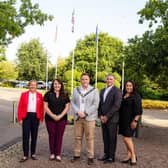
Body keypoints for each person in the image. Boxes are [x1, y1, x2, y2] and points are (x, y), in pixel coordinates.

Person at [71, 73, 99, 165]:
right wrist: (78, 111)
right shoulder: (76, 90)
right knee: (77, 137)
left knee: (90, 138)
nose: (84, 81)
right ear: (80, 80)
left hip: (89, 118)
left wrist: (86, 113)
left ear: (89, 80)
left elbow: (95, 104)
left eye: (86, 79)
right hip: (78, 117)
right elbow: (73, 102)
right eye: (83, 79)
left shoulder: (94, 90)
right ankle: (76, 155)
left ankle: (90, 157)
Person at [44, 79, 70, 161]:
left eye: (59, 84)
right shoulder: (48, 94)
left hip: (62, 119)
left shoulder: (65, 94)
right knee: (52, 135)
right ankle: (52, 153)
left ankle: (58, 154)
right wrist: (53, 116)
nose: (57, 85)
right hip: (49, 119)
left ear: (61, 85)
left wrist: (60, 116)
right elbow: (45, 106)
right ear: (52, 85)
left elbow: (67, 107)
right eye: (55, 84)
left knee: (59, 136)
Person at [18, 80, 44, 162]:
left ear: (37, 86)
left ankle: (33, 153)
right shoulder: (24, 94)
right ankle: (25, 155)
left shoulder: (40, 95)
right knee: (25, 136)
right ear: (29, 86)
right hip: (26, 117)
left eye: (34, 85)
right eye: (31, 85)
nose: (33, 86)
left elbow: (41, 108)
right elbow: (20, 107)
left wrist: (41, 118)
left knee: (34, 136)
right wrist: (20, 118)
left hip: (35, 117)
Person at [98, 74, 122, 163]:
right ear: (106, 80)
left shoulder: (118, 91)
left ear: (114, 80)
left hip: (112, 119)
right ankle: (106, 154)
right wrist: (100, 115)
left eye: (111, 79)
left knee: (112, 138)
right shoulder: (102, 90)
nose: (109, 80)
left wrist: (107, 116)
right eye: (107, 79)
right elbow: (100, 104)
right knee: (105, 137)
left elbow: (116, 106)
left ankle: (111, 157)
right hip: (103, 118)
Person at [119, 80, 142, 166]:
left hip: (131, 121)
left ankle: (133, 156)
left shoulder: (136, 96)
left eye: (130, 86)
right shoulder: (124, 95)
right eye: (127, 86)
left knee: (127, 138)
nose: (128, 87)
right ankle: (128, 155)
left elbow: (139, 110)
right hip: (123, 121)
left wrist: (135, 120)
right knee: (126, 139)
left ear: (133, 87)